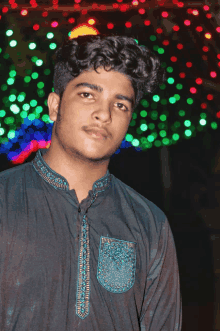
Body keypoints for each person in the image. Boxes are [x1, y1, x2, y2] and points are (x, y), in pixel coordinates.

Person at [0, 33, 182, 330]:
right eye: (88, 94)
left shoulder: (149, 223)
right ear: (55, 105)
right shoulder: (4, 201)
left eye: (121, 104)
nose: (104, 114)